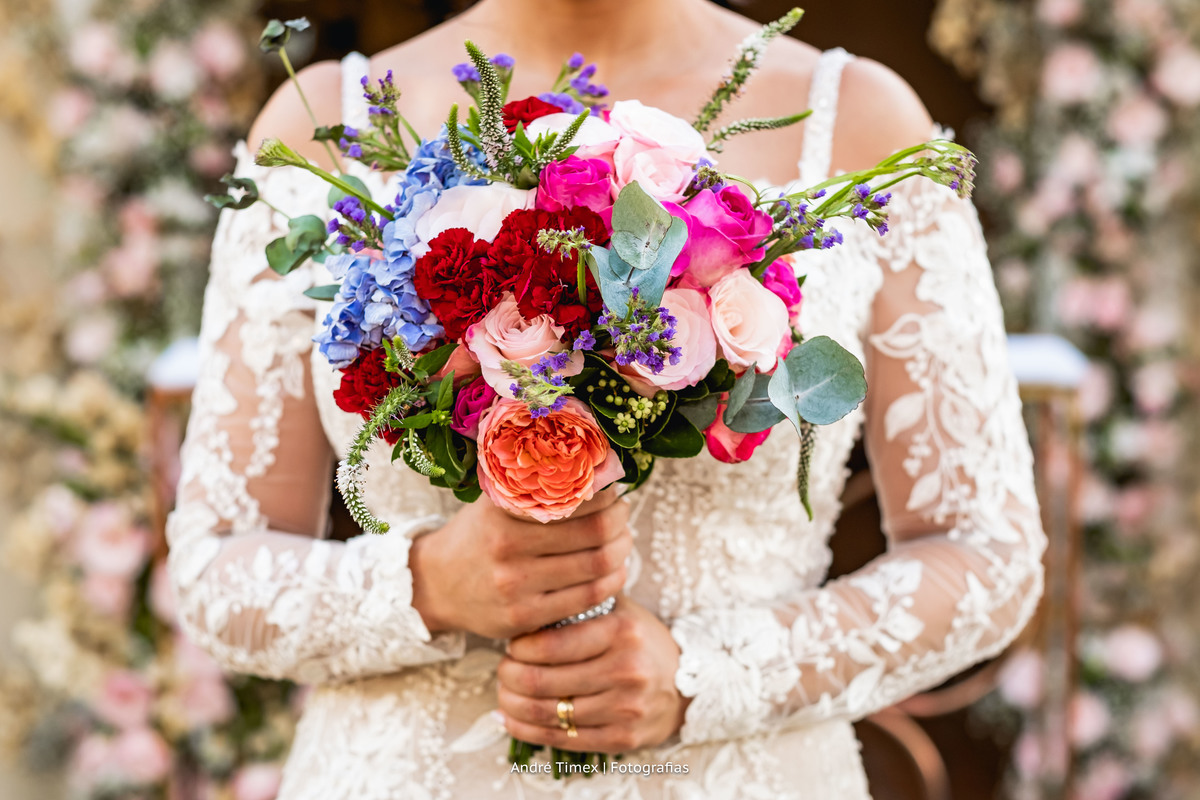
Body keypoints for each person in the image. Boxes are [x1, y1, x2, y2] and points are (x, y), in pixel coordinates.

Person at [166, 0, 1047, 797]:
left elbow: (986, 553)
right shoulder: (323, 124)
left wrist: (705, 677)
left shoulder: (856, 123)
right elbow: (215, 568)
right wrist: (427, 585)